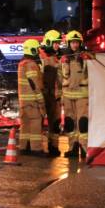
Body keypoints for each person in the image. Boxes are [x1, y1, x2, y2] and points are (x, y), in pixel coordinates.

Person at [60, 30, 91, 159]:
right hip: (68, 96)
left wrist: (87, 59)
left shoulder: (86, 57)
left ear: (80, 43)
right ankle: (72, 148)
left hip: (82, 95)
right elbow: (60, 77)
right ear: (69, 43)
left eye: (76, 42)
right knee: (70, 123)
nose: (75, 45)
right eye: (72, 42)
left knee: (83, 123)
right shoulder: (64, 58)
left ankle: (85, 149)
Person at [17, 38, 46, 154]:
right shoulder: (31, 64)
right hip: (32, 101)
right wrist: (41, 100)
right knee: (35, 124)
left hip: (23, 102)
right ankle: (36, 148)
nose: (38, 52)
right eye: (37, 50)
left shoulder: (22, 63)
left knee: (25, 126)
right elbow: (35, 84)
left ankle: (24, 147)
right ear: (33, 50)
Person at [39, 29, 62, 157]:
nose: (57, 45)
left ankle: (53, 147)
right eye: (55, 43)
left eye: (58, 43)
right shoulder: (40, 56)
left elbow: (60, 79)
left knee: (55, 123)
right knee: (38, 123)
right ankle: (36, 147)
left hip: (54, 96)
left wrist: (60, 95)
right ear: (48, 42)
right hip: (43, 95)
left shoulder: (56, 58)